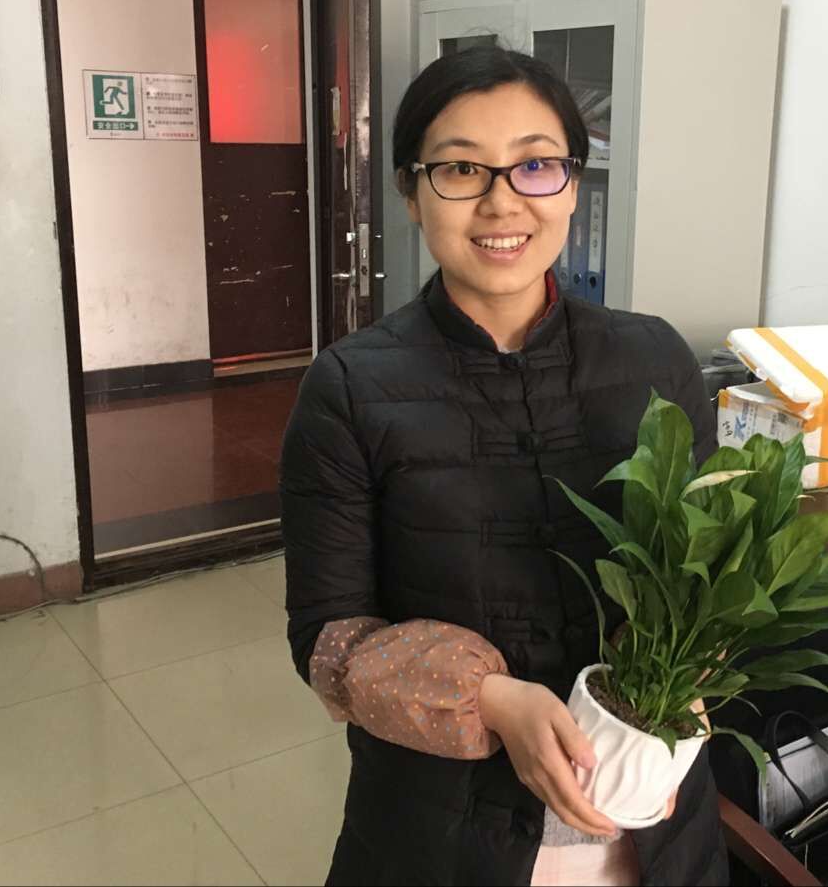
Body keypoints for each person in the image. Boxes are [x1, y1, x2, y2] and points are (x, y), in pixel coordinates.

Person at [281, 46, 729, 886]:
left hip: (659, 836)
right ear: (411, 192)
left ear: (571, 183)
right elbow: (331, 641)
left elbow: (706, 575)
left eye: (535, 164)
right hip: (441, 840)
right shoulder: (347, 389)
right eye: (460, 168)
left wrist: (683, 685)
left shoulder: (655, 359)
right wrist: (493, 701)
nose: (502, 201)